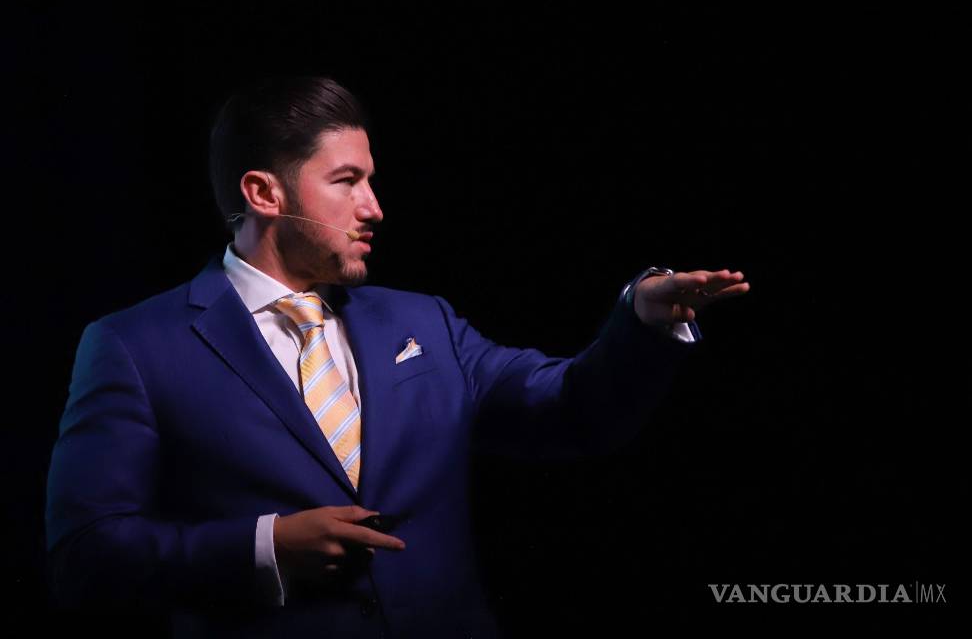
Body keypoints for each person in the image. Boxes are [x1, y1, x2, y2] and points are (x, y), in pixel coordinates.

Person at [45, 76, 750, 638]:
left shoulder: (423, 322)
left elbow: (572, 412)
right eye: (347, 180)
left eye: (370, 180)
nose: (374, 206)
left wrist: (640, 322)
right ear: (263, 192)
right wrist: (264, 548)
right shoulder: (134, 347)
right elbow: (85, 556)